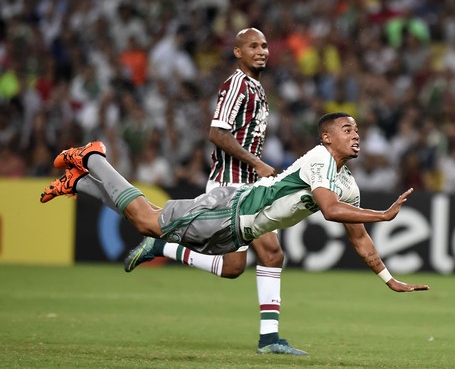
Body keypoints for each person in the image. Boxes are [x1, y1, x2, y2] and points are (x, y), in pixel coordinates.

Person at [40, 113, 430, 343]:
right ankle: (93, 157)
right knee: (146, 220)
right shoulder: (318, 161)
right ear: (327, 138)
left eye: (357, 129)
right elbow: (329, 210)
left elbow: (359, 240)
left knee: (152, 218)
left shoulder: (348, 184)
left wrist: (388, 279)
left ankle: (80, 180)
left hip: (236, 228)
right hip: (231, 209)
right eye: (347, 129)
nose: (356, 134)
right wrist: (382, 215)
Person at [135, 27, 299, 355]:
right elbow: (217, 132)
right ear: (238, 52)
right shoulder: (237, 83)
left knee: (234, 268)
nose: (262, 50)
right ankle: (269, 340)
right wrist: (258, 163)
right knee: (272, 254)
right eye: (253, 46)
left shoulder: (257, 88)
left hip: (248, 186)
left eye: (265, 45)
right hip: (231, 187)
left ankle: (163, 248)